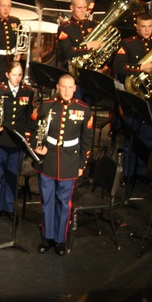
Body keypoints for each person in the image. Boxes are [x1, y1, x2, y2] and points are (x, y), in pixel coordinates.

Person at [32, 74, 93, 256]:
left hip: (70, 161)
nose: (66, 91)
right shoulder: (47, 105)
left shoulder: (83, 109)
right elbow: (37, 130)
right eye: (63, 87)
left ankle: (60, 239)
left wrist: (82, 164)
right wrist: (38, 146)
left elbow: (86, 141)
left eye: (70, 87)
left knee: (64, 203)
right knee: (47, 201)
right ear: (58, 87)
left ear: (75, 88)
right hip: (48, 159)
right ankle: (47, 237)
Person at [0, 61, 35, 220]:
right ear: (7, 74)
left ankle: (10, 208)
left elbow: (30, 117)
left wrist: (27, 136)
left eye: (20, 75)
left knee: (13, 175)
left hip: (16, 140)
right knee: (0, 175)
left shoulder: (28, 92)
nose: (17, 78)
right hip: (0, 139)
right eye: (14, 75)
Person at [113, 12, 152, 185]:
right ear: (137, 27)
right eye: (143, 27)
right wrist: (140, 68)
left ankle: (141, 173)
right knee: (131, 137)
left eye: (149, 27)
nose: (147, 30)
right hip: (133, 99)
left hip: (151, 99)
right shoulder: (128, 43)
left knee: (147, 138)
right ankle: (127, 173)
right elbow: (118, 65)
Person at [57, 0, 103, 73]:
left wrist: (103, 67)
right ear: (72, 8)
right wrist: (88, 46)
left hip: (94, 70)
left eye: (85, 7)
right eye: (79, 8)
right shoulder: (65, 28)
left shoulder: (92, 24)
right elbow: (67, 52)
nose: (83, 11)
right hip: (72, 71)